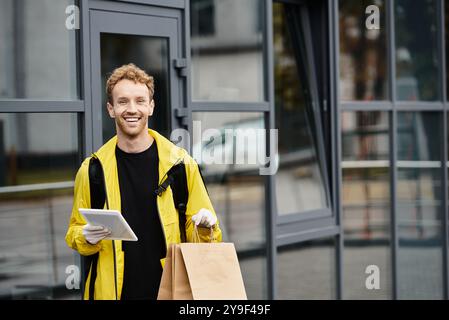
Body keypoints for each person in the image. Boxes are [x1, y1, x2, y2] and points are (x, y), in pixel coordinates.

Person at [65, 63, 222, 300]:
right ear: (111, 108)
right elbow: (74, 232)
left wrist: (206, 225)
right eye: (122, 101)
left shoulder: (181, 165)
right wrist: (85, 236)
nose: (132, 109)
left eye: (140, 101)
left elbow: (207, 238)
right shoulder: (92, 170)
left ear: (150, 106)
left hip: (170, 292)